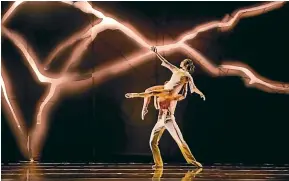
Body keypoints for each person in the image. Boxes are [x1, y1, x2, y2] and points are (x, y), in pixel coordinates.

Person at [125, 46, 205, 168]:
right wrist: (156, 53)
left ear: (186, 66)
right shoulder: (174, 75)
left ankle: (193, 162)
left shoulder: (184, 80)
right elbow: (166, 64)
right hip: (160, 119)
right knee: (152, 142)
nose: (167, 82)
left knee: (180, 141)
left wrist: (199, 93)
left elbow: (191, 89)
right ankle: (158, 164)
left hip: (168, 119)